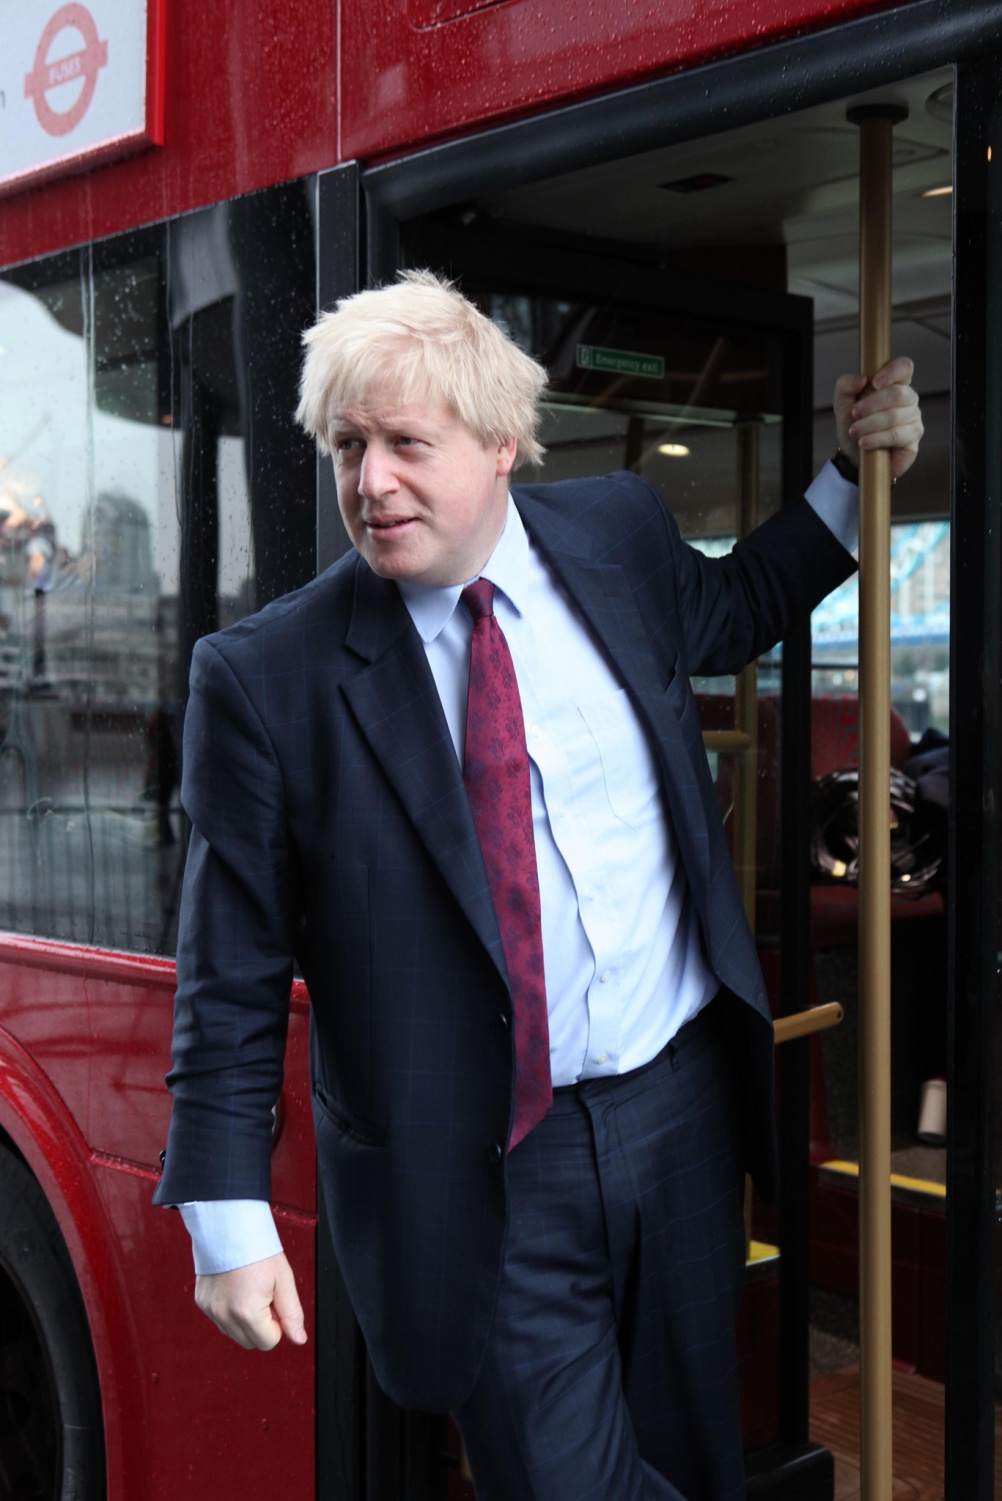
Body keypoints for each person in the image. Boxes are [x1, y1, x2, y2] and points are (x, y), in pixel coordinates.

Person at [155, 271, 923, 1500]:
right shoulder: (264, 677)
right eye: (349, 447)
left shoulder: (615, 531)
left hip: (680, 1116)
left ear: (503, 443)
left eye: (409, 444)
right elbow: (231, 966)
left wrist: (849, 469)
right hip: (481, 1163)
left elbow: (731, 609)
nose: (370, 482)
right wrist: (225, 1212)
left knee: (693, 1458)